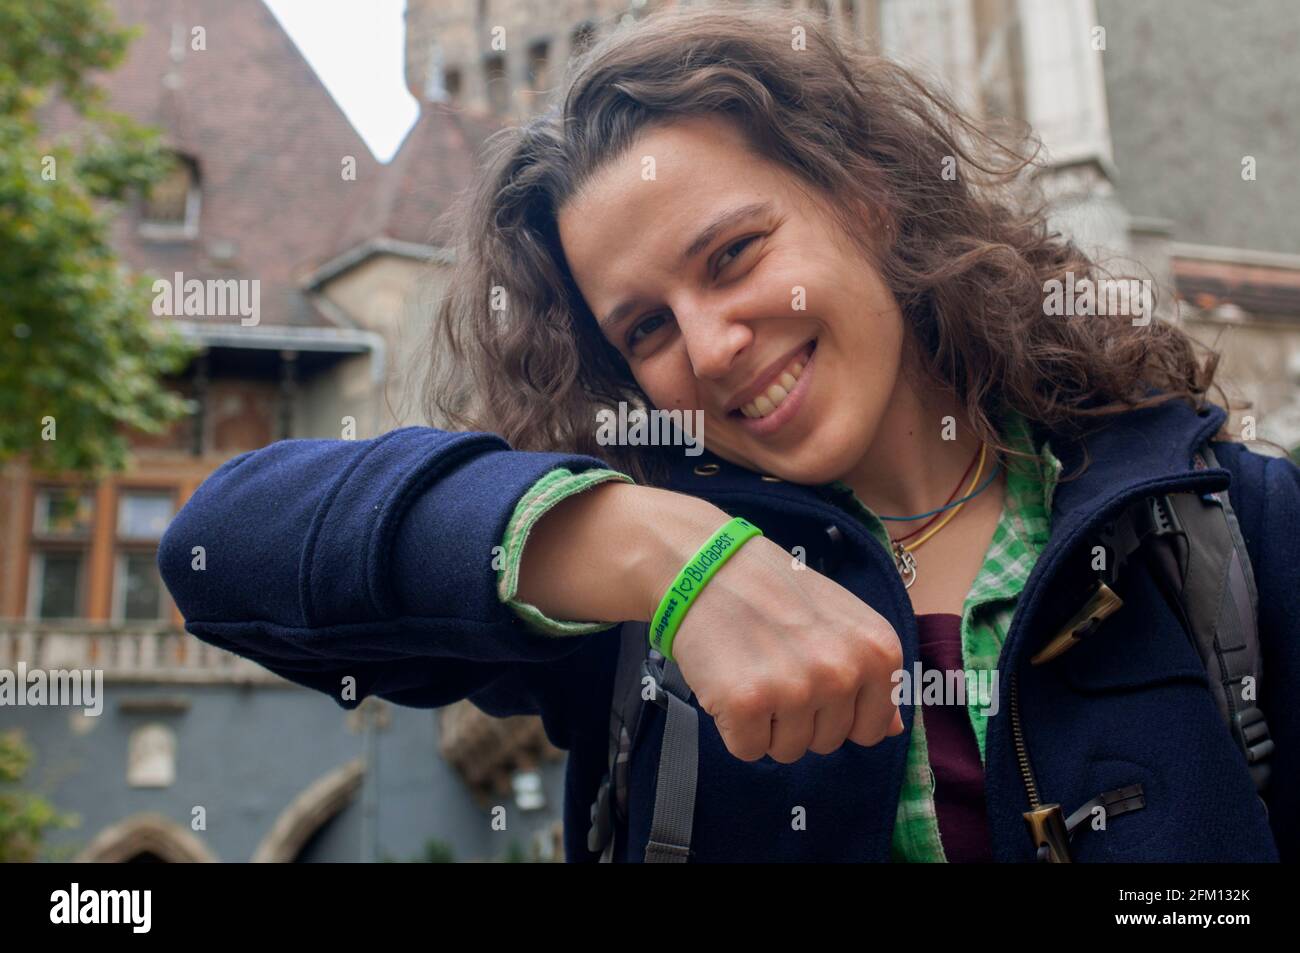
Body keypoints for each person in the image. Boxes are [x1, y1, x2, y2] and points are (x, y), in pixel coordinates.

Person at [158, 5, 1298, 863]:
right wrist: (651, 552)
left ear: (866, 197)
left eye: (734, 254)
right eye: (645, 325)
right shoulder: (625, 619)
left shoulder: (1228, 535)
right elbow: (219, 545)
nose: (707, 348)